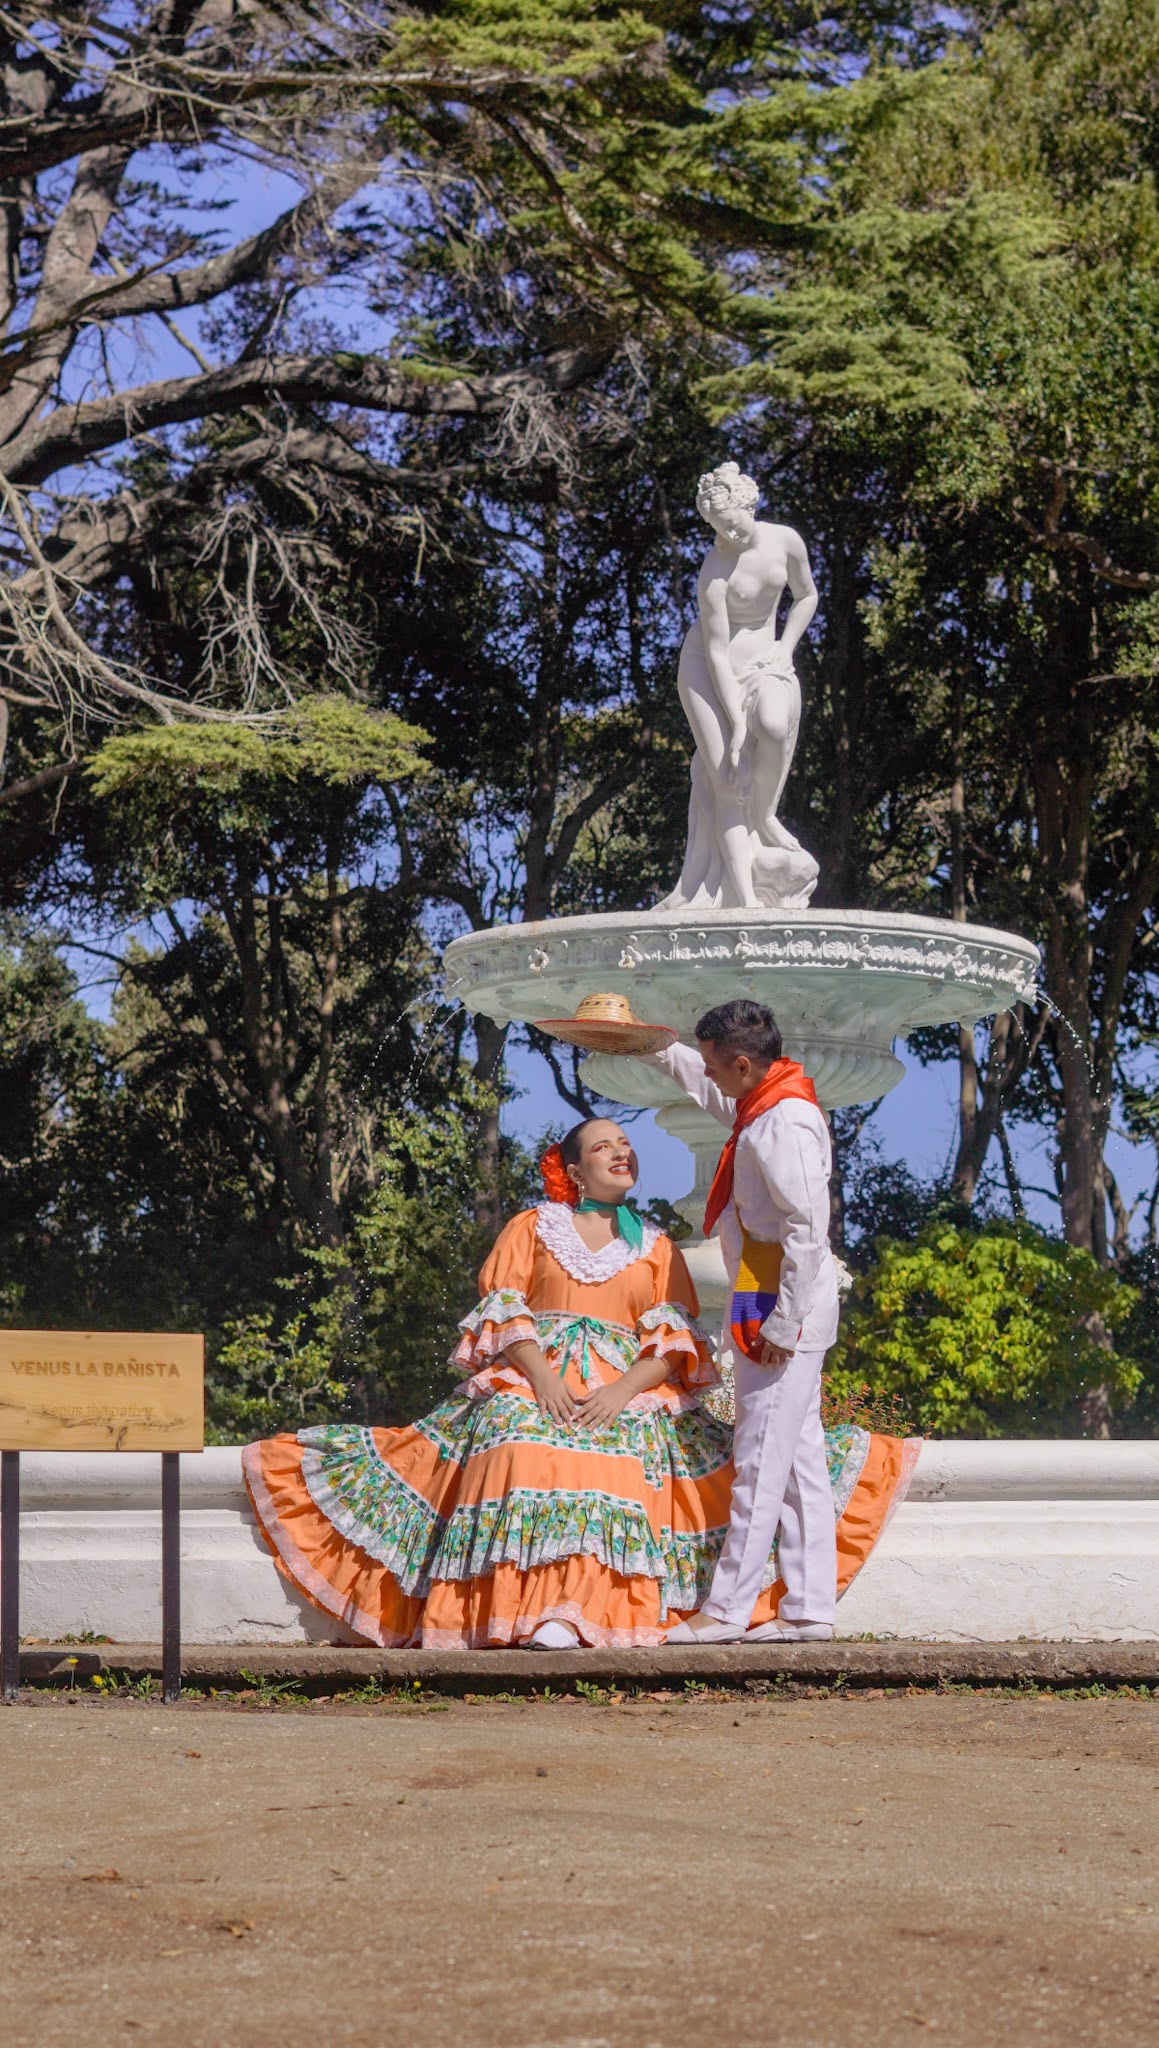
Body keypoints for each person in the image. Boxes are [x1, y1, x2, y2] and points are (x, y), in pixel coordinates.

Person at [243, 1115, 917, 1648]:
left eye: (625, 1144)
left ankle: (579, 1614)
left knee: (624, 1456)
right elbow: (504, 1308)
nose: (621, 1152)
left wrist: (622, 1392)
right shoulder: (533, 1226)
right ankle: (527, 1612)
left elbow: (673, 1340)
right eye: (603, 1147)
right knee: (513, 1440)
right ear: (573, 1170)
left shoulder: (656, 1245)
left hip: (627, 1385)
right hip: (534, 1373)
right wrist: (542, 1380)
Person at [660, 997, 855, 1644]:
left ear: (743, 1064)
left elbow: (807, 1228)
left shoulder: (783, 1122)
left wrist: (782, 1325)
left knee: (758, 1457)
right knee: (796, 1460)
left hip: (777, 1301)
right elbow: (712, 1095)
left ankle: (726, 1608)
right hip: (761, 1288)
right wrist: (658, 1051)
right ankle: (808, 1609)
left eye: (716, 1067)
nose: (711, 1077)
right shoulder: (763, 1105)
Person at [658, 460, 820, 912]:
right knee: (726, 779)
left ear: (749, 506)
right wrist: (735, 726)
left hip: (765, 660)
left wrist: (786, 648)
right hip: (707, 673)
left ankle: (765, 816)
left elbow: (807, 595)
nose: (728, 535)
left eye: (733, 524)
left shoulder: (785, 541)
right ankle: (746, 898)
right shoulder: (714, 571)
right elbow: (715, 654)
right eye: (718, 529)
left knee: (773, 723)